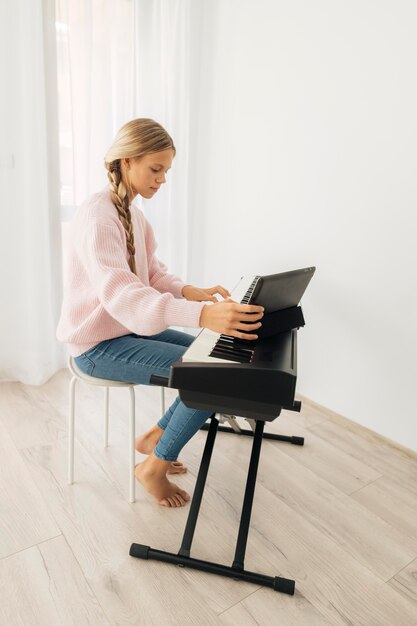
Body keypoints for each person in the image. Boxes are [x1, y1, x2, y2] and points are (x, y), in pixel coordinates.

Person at [56, 118, 264, 508]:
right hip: (97, 346)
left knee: (213, 360)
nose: (162, 180)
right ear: (128, 161)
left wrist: (190, 292)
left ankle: (155, 437)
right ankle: (153, 467)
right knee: (211, 376)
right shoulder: (98, 217)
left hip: (123, 331)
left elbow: (150, 273)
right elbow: (122, 294)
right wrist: (201, 315)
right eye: (156, 169)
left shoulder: (133, 214)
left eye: (166, 171)